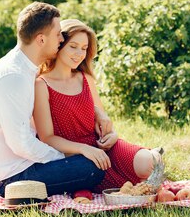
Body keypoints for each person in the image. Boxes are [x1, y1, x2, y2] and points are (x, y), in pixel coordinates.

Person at [0, 3, 107, 196]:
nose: (61, 39)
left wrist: (97, 113)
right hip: (5, 180)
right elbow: (21, 144)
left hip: (20, 165)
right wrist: (65, 156)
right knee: (92, 168)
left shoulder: (23, 69)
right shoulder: (13, 77)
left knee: (90, 160)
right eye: (58, 34)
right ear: (41, 39)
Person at [33, 19, 162, 192]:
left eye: (84, 48)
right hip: (78, 157)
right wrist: (84, 149)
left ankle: (154, 154)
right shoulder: (41, 85)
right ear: (59, 45)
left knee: (150, 164)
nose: (79, 53)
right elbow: (47, 137)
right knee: (120, 184)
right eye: (73, 46)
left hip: (102, 147)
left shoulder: (85, 78)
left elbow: (103, 121)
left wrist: (112, 136)